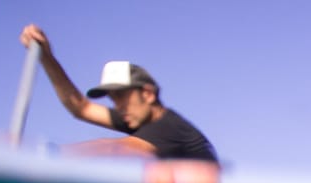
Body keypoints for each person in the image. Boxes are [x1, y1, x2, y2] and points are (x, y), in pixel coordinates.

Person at [18, 25, 218, 165]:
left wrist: (44, 152)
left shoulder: (168, 127)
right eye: (113, 99)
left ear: (147, 94)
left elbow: (114, 149)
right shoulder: (137, 118)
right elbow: (81, 107)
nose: (118, 107)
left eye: (122, 97)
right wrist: (47, 57)